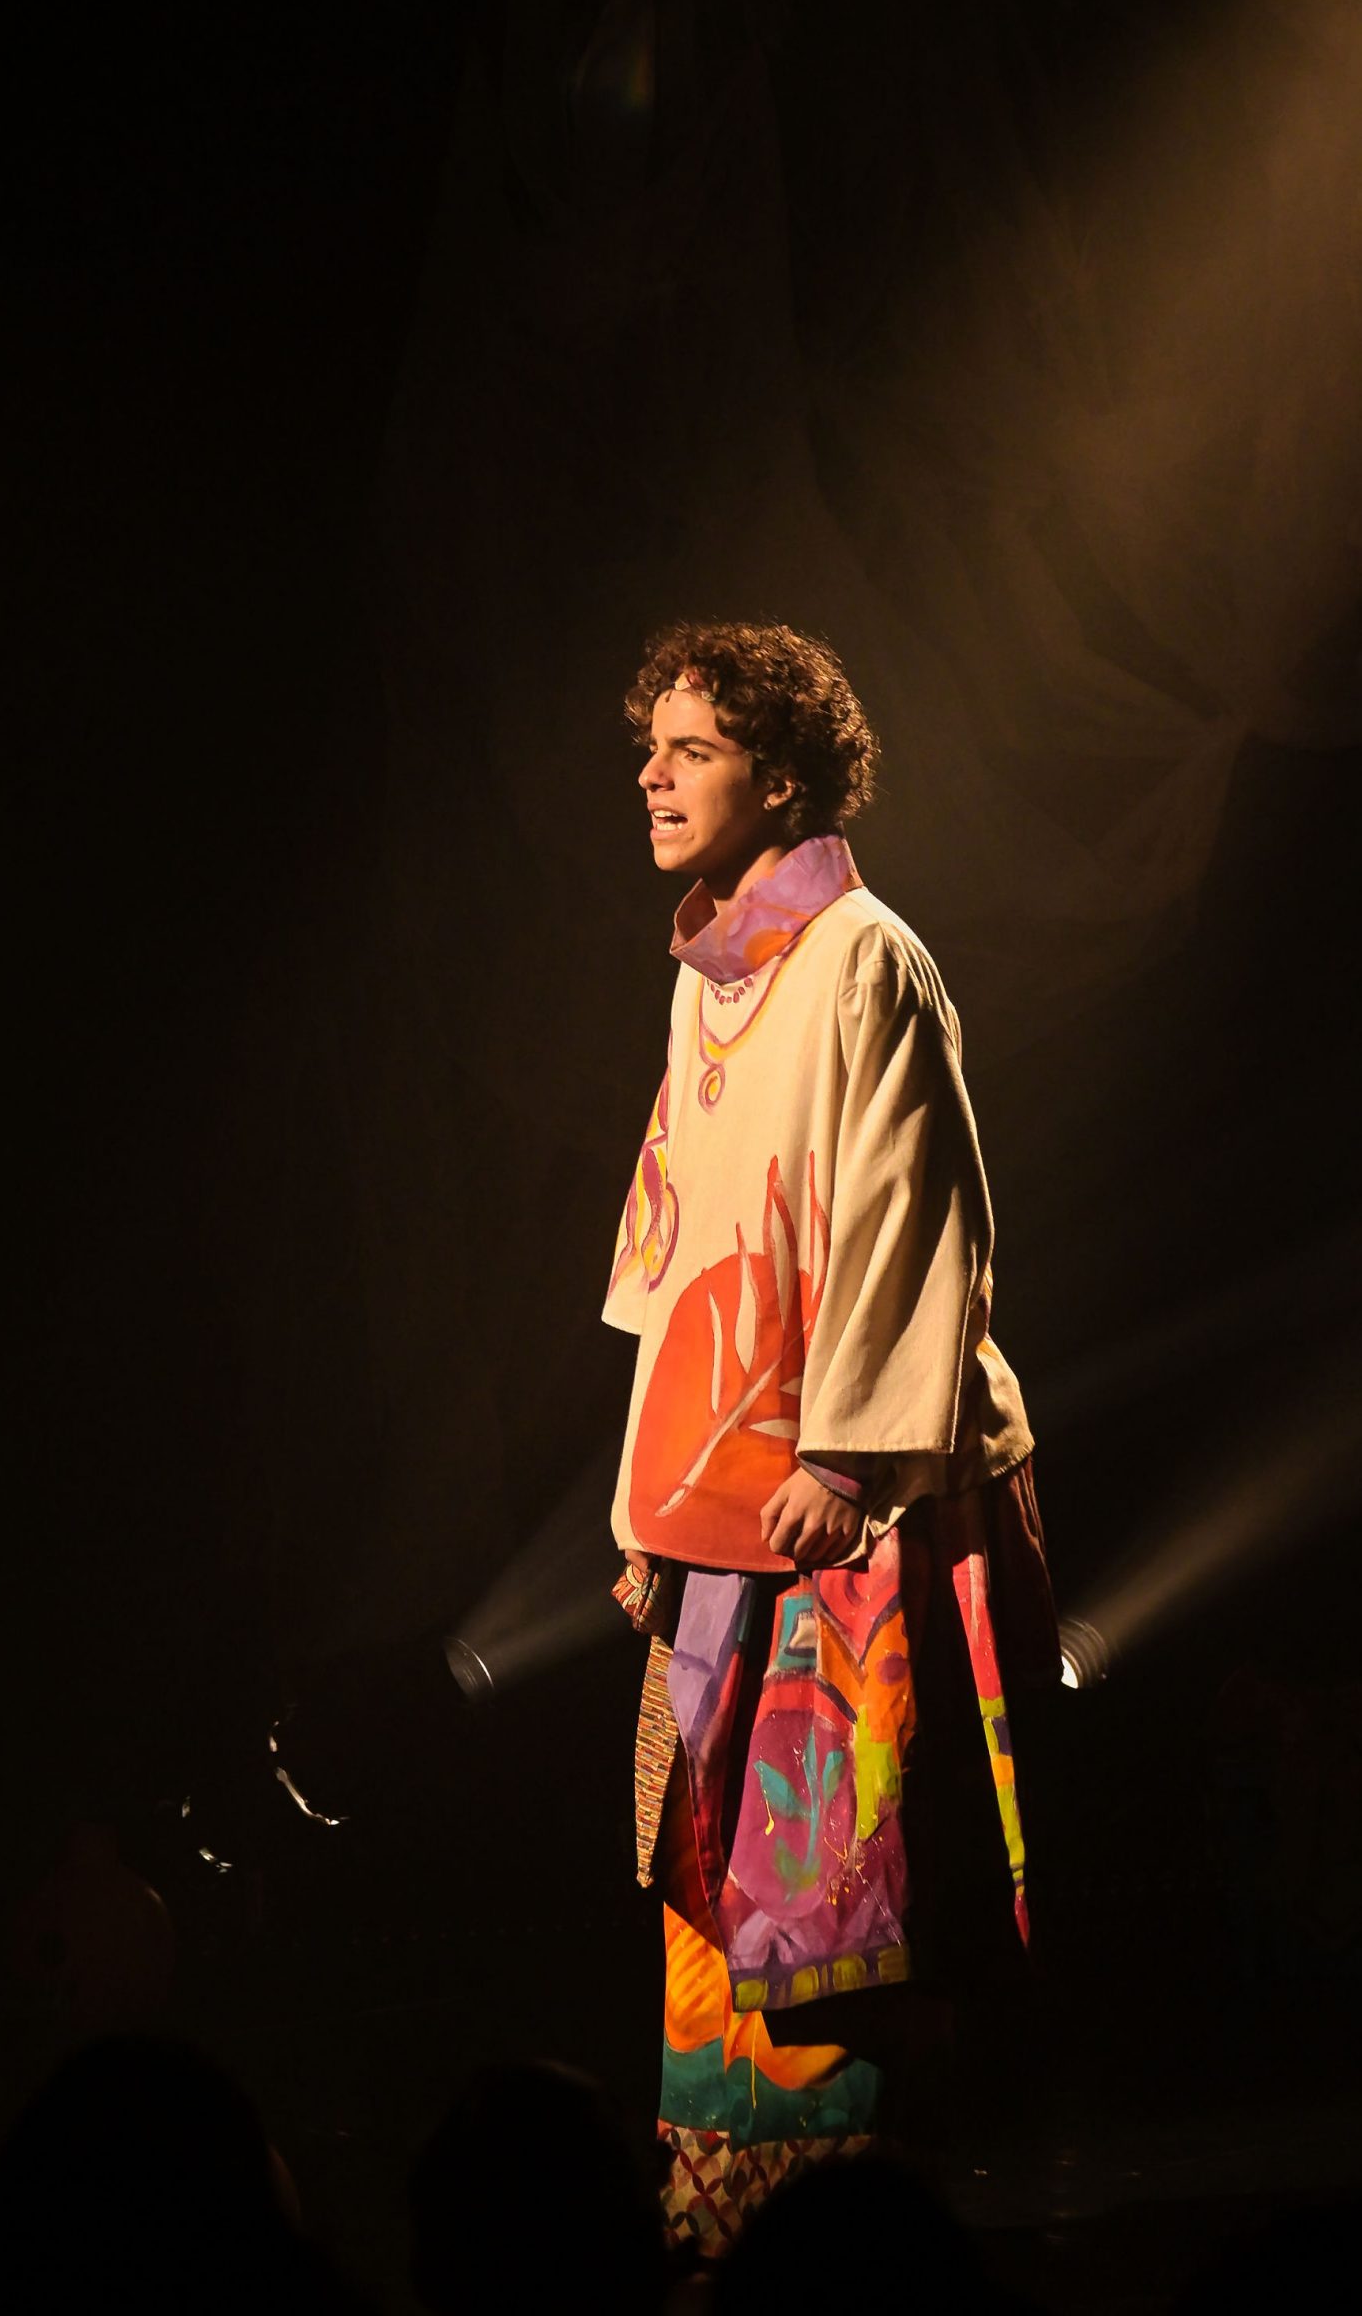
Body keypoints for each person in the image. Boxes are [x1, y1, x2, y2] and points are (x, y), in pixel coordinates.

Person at [603, 622, 1057, 2257]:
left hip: (850, 1498)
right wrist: (647, 1506)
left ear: (781, 778)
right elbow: (678, 1257)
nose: (652, 776)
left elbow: (913, 1218)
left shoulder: (866, 957)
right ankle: (728, 2211)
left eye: (693, 749)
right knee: (708, 1855)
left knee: (843, 1878)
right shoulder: (710, 978)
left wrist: (847, 1459)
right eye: (650, 746)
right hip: (727, 1498)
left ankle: (853, 2239)